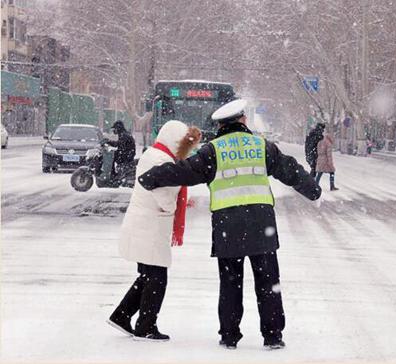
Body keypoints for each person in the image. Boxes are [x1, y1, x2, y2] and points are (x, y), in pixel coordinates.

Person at [138, 99, 321, 350]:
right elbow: (290, 170)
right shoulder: (261, 146)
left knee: (230, 283)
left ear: (221, 124)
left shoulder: (212, 150)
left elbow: (184, 171)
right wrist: (313, 190)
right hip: (261, 225)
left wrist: (151, 178)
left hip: (228, 227)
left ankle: (229, 334)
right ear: (243, 120)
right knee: (268, 282)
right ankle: (273, 335)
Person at [107, 120, 201, 342]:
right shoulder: (161, 160)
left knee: (148, 276)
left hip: (144, 224)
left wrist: (180, 201)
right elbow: (164, 199)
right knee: (157, 278)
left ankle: (121, 316)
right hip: (150, 226)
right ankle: (146, 326)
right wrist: (176, 202)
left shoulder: (153, 154)